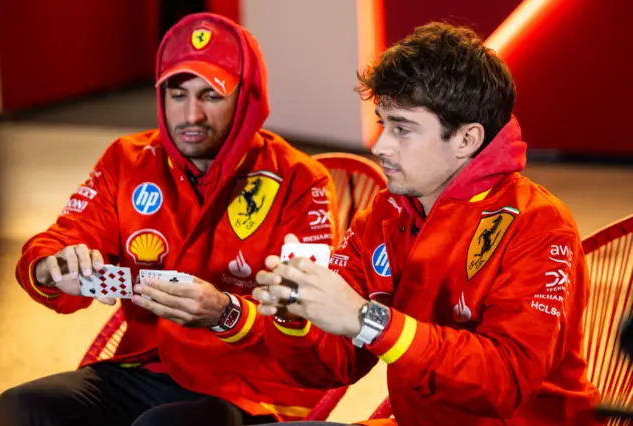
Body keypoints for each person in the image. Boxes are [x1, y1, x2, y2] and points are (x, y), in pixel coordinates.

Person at [0, 12, 339, 426]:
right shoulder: (128, 159)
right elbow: (59, 241)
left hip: (254, 386)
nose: (191, 115)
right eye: (177, 94)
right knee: (21, 407)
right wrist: (51, 268)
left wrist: (226, 312)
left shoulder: (300, 179)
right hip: (147, 368)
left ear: (247, 98)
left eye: (211, 95)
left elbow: (312, 321)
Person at [252, 22, 602, 425]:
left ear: (467, 139)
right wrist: (294, 315)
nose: (379, 146)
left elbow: (503, 382)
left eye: (402, 128)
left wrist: (367, 319)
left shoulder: (540, 224)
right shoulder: (385, 214)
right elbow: (333, 368)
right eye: (383, 123)